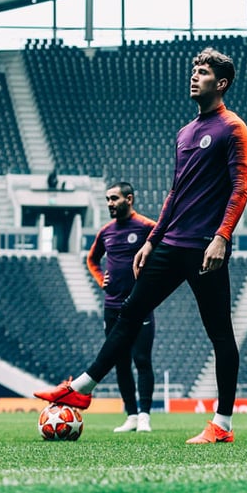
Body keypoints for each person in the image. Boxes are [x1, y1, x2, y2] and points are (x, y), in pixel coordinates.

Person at [36, 47, 247, 444]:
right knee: (129, 313)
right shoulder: (185, 133)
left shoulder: (233, 128)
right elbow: (174, 194)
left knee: (220, 334)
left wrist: (222, 236)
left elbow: (241, 187)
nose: (194, 76)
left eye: (203, 72)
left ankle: (222, 424)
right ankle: (82, 388)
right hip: (170, 244)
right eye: (194, 70)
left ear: (220, 84)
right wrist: (152, 241)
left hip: (205, 247)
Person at [86, 182, 157, 433]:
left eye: (114, 198)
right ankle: (132, 415)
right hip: (112, 306)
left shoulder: (148, 227)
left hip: (140, 306)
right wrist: (100, 279)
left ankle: (146, 415)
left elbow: (165, 254)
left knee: (142, 359)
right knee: (121, 362)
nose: (109, 204)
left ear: (129, 199)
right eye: (107, 199)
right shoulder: (106, 232)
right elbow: (92, 259)